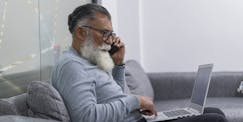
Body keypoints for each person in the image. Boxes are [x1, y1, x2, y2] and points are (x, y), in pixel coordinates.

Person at [51, 3, 227, 122]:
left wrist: (118, 65)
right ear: (82, 33)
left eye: (111, 34)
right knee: (215, 119)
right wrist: (136, 102)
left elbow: (119, 96)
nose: (110, 40)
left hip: (139, 118)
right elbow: (85, 116)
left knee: (214, 112)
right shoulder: (72, 66)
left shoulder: (91, 60)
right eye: (105, 33)